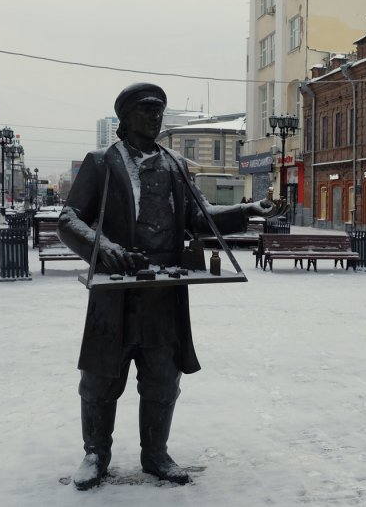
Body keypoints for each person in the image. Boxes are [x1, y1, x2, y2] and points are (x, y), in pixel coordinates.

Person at [57, 83, 286, 491]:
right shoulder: (101, 162)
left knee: (163, 376)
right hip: (115, 292)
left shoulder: (175, 165)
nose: (154, 117)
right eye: (146, 110)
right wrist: (104, 249)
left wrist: (246, 209)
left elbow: (201, 216)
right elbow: (69, 218)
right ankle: (95, 454)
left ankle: (156, 453)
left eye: (159, 110)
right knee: (100, 376)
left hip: (163, 292)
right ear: (124, 118)